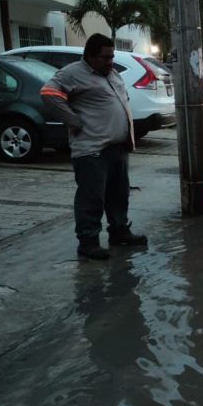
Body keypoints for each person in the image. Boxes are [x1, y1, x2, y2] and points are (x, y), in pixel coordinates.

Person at [40, 33, 148, 260]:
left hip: (116, 147)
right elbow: (48, 93)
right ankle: (88, 241)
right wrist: (73, 120)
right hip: (92, 149)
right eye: (105, 58)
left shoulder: (111, 73)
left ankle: (119, 231)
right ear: (89, 56)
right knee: (92, 197)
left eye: (112, 57)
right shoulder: (73, 73)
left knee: (119, 195)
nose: (110, 62)